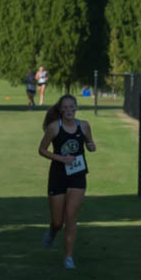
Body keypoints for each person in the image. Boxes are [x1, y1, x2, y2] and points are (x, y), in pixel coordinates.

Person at [37, 94, 95, 270]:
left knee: (71, 217)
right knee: (57, 221)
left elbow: (90, 142)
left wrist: (91, 146)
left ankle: (68, 258)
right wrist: (61, 158)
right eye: (66, 107)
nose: (69, 110)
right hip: (58, 176)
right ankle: (53, 232)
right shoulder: (54, 128)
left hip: (78, 174)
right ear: (60, 110)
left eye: (72, 107)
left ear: (76, 108)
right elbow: (41, 150)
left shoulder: (84, 125)